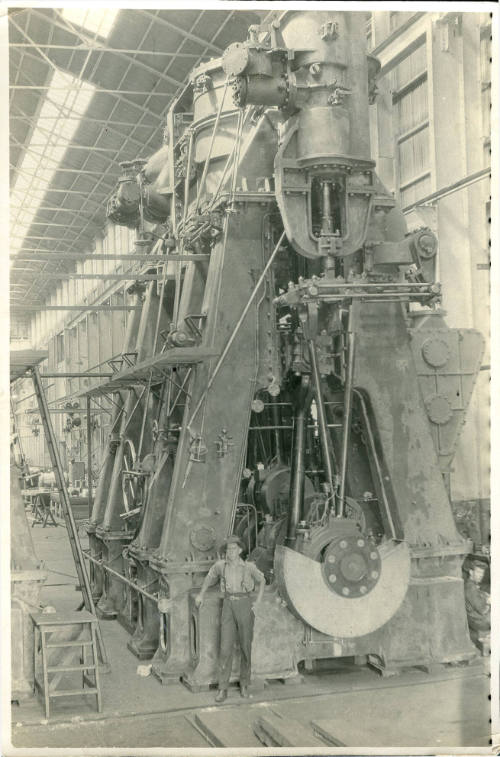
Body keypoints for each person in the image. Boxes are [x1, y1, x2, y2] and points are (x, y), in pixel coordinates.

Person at [195, 535, 265, 703]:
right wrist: (201, 595)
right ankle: (222, 689)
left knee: (245, 646)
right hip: (228, 605)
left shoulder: (249, 567)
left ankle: (244, 684)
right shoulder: (220, 566)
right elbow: (209, 578)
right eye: (228, 549)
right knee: (225, 648)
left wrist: (258, 603)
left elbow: (262, 580)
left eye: (233, 549)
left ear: (240, 550)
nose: (230, 552)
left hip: (244, 605)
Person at [464, 559, 490, 632]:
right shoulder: (470, 587)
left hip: (478, 618)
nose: (481, 575)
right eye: (478, 572)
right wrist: (488, 601)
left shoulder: (472, 585)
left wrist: (484, 596)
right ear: (471, 572)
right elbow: (482, 610)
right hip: (478, 621)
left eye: (482, 573)